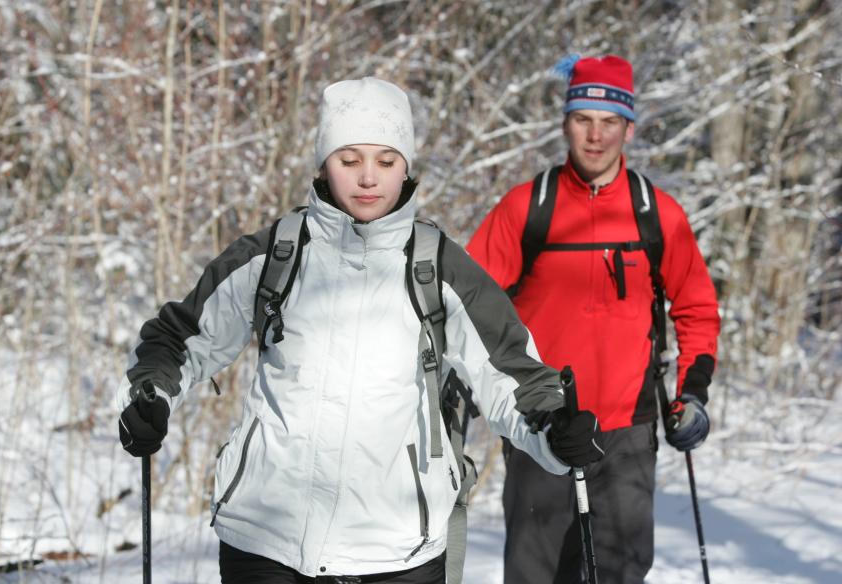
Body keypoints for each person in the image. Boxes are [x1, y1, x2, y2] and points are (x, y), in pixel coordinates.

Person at [116, 77, 603, 584]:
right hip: (265, 540)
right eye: (350, 160)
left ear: (406, 167)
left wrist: (553, 429)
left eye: (386, 162)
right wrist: (151, 397)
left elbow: (512, 374)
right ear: (325, 162)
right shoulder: (273, 257)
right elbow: (178, 338)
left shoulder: (438, 269)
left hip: (398, 551)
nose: (368, 178)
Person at [467, 55, 721, 583]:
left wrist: (691, 392)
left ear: (629, 127)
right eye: (584, 119)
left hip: (628, 431)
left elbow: (696, 308)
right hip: (540, 426)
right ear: (566, 123)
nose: (596, 136)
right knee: (536, 575)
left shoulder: (658, 214)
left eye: (609, 123)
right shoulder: (526, 208)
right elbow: (468, 306)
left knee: (622, 574)